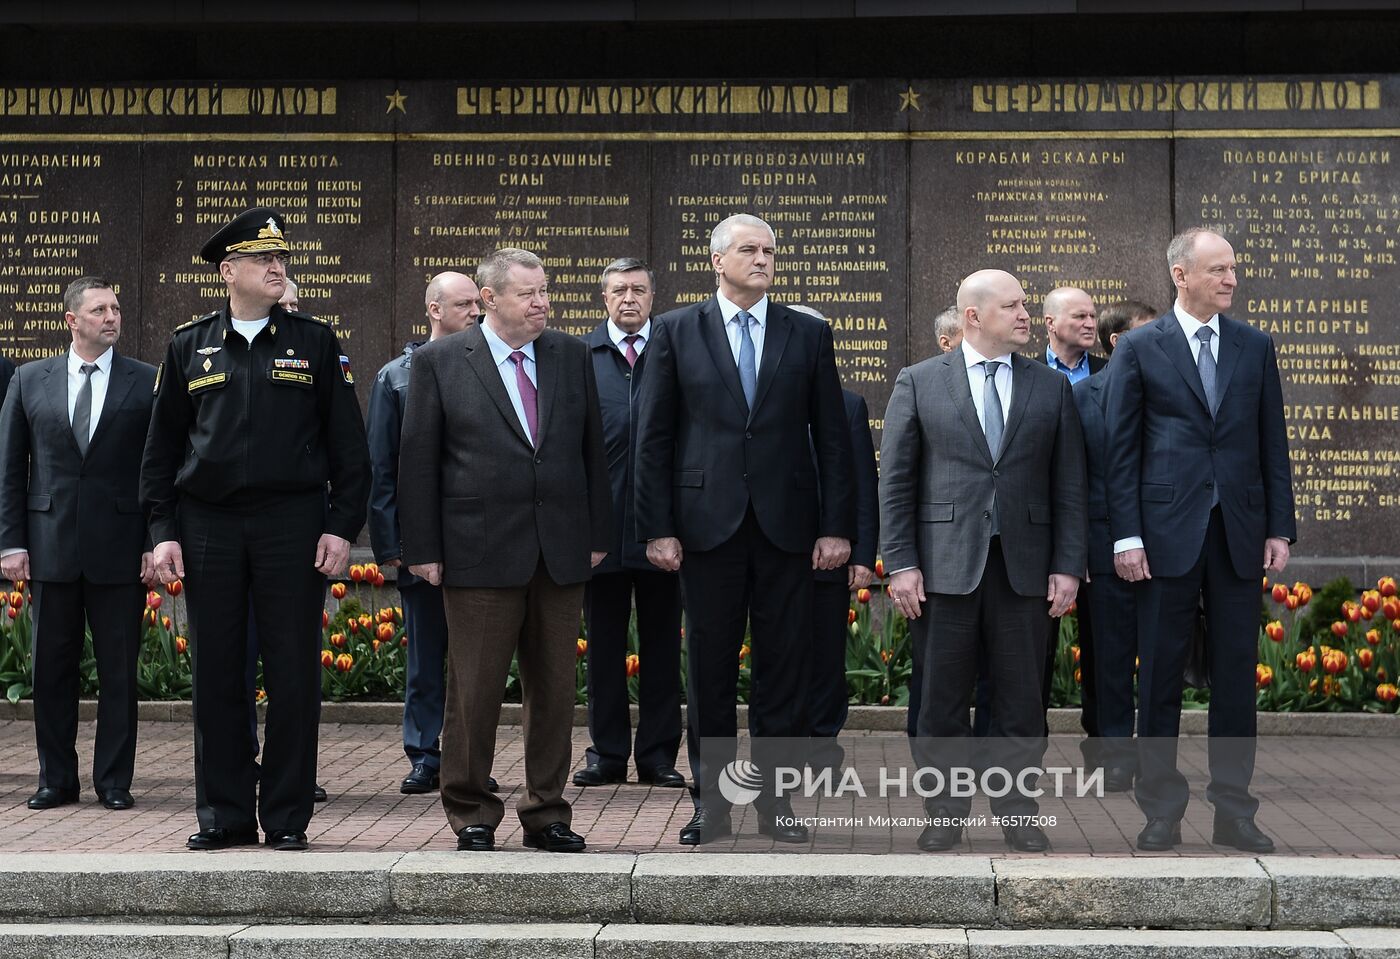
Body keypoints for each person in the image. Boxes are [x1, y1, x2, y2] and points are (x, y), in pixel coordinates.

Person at [142, 207, 370, 852]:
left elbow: (349, 449)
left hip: (291, 524)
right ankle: (224, 814)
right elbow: (160, 450)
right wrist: (163, 529)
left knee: (294, 672)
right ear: (228, 271)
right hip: (208, 522)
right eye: (262, 259)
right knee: (217, 671)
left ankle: (288, 816)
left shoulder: (314, 341)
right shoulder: (189, 344)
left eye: (282, 259)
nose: (278, 268)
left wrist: (341, 525)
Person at [634, 213, 854, 846]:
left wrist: (836, 526)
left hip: (788, 528)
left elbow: (833, 439)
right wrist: (658, 527)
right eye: (749, 250)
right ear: (717, 260)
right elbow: (655, 436)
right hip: (706, 530)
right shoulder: (676, 331)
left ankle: (777, 803)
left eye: (769, 251)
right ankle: (713, 804)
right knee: (707, 670)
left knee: (785, 668)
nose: (762, 259)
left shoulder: (807, 334)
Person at [398, 247, 612, 854]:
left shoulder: (570, 355)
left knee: (554, 690)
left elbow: (591, 448)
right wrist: (424, 548)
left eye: (545, 291)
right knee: (475, 689)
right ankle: (470, 809)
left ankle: (546, 811)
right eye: (529, 293)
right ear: (490, 300)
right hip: (477, 551)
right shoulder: (441, 361)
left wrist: (597, 534)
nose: (542, 302)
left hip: (561, 551)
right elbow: (418, 461)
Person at [880, 268, 1087, 853]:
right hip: (944, 568)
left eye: (1026, 305)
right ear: (973, 316)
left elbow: (1069, 484)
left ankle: (1018, 812)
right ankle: (944, 812)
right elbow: (896, 481)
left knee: (1022, 700)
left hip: (1025, 569)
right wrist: (901, 563)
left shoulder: (1050, 386)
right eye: (1013, 306)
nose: (1026, 315)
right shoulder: (919, 382)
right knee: (941, 698)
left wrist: (1068, 564)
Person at [1106, 228, 1295, 853]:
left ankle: (1234, 812)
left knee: (1238, 677)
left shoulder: (1253, 345)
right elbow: (1121, 449)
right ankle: (1161, 810)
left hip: (1238, 532)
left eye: (1234, 269)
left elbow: (1272, 441)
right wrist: (1126, 535)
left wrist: (1278, 526)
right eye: (1217, 270)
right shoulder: (1139, 347)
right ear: (1180, 275)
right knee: (1159, 673)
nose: (1231, 279)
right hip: (1163, 534)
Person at [0, 277, 157, 812]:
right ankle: (55, 779)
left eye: (116, 308)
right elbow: (9, 469)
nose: (112, 317)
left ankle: (113, 781)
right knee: (51, 670)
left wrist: (154, 541)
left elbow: (154, 470)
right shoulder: (28, 380)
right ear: (72, 320)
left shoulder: (146, 380)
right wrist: (10, 543)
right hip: (50, 546)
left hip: (119, 547)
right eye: (99, 310)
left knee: (118, 673)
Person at [368, 271, 496, 795]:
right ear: (434, 309)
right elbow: (383, 468)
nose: (475, 312)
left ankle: (468, 757)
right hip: (422, 541)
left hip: (479, 539)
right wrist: (392, 545)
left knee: (476, 662)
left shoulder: (494, 370)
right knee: (425, 656)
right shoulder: (396, 377)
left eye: (477, 303)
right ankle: (425, 753)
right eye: (464, 304)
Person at [574, 258, 684, 789]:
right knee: (603, 646)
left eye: (639, 289)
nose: (629, 299)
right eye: (619, 290)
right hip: (602, 529)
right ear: (604, 298)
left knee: (664, 646)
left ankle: (659, 755)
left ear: (652, 295)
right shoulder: (581, 356)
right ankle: (608, 753)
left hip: (663, 528)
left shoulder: (673, 351)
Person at [1072, 299, 1157, 793]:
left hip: (1167, 548)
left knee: (1160, 657)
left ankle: (1152, 754)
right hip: (1103, 550)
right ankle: (1112, 753)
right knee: (1108, 659)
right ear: (1118, 342)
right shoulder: (1082, 397)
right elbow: (1073, 481)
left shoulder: (1170, 392)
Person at [788, 305, 877, 769]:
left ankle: (823, 747)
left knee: (826, 657)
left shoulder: (848, 404)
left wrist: (862, 553)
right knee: (779, 657)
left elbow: (863, 479)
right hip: (772, 555)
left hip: (828, 556)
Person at [1035, 286, 1105, 383]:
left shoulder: (1109, 371)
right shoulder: (1024, 374)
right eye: (1081, 316)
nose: (1091, 325)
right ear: (1051, 323)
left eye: (1093, 316)